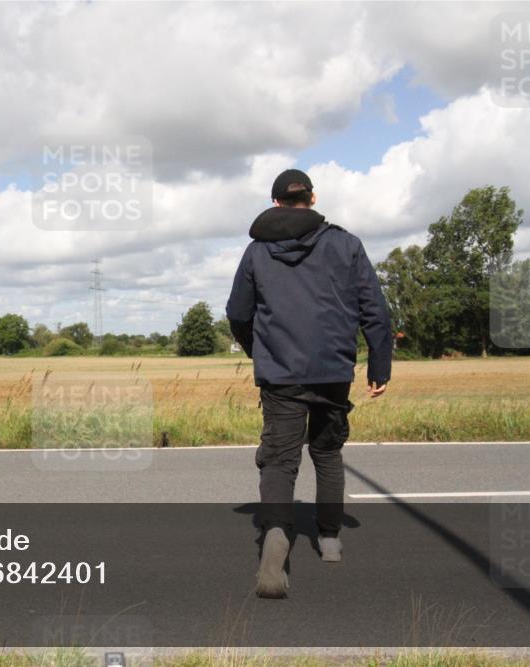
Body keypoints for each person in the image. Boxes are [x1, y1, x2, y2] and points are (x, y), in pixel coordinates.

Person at [226, 169, 392, 599]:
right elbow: (374, 309)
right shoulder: (346, 244)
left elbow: (238, 313)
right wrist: (379, 365)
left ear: (277, 202)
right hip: (334, 371)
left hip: (280, 374)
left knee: (279, 462)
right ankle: (330, 538)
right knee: (327, 452)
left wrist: (257, 350)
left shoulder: (257, 251)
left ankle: (277, 540)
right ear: (312, 199)